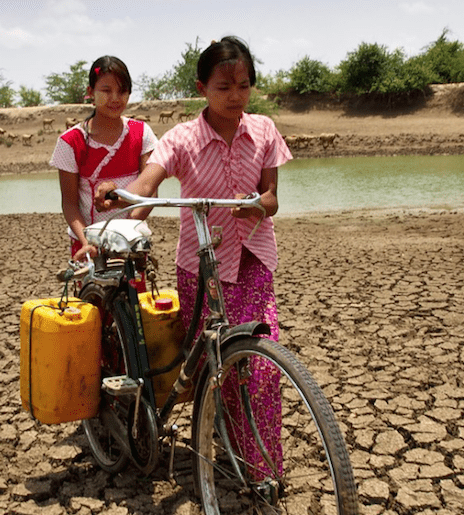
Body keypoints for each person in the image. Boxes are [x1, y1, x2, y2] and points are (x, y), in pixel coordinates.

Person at [95, 36, 292, 480]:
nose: (235, 96)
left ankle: (260, 470)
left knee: (258, 365)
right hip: (199, 266)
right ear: (202, 87)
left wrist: (257, 203)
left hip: (254, 255)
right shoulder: (182, 138)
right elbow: (148, 184)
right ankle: (222, 439)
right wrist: (123, 198)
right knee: (213, 367)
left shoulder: (263, 129)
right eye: (223, 87)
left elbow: (273, 197)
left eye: (243, 85)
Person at [50, 55, 158, 261]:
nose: (116, 98)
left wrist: (127, 230)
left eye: (122, 91)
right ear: (90, 92)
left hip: (131, 241)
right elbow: (70, 204)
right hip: (87, 244)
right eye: (106, 91)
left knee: (136, 294)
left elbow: (150, 193)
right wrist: (87, 242)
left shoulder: (142, 133)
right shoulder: (71, 142)